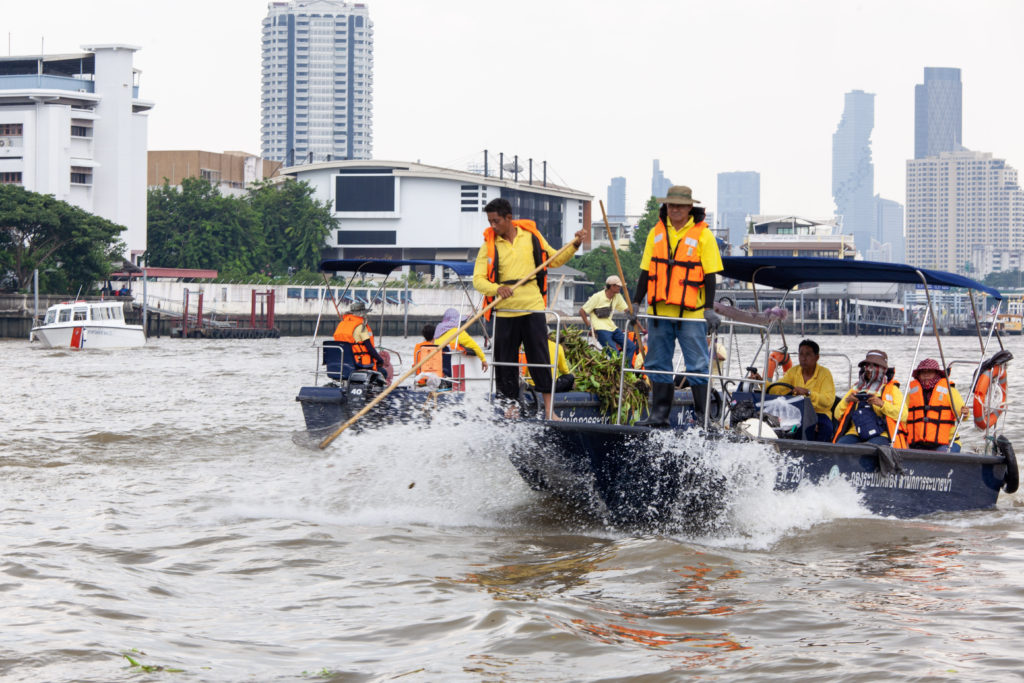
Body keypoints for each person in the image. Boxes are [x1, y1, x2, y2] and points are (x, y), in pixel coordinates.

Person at [473, 197, 585, 419]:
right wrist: (497, 288)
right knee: (505, 362)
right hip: (506, 311)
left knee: (539, 359)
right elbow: (478, 280)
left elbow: (554, 259)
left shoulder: (532, 236)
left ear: (508, 218)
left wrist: (575, 245)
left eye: (496, 221)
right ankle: (512, 407)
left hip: (533, 308)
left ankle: (549, 410)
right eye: (489, 221)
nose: (492, 226)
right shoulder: (489, 244)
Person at [632, 185, 723, 427]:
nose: (675, 209)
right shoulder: (656, 233)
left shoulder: (703, 235)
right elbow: (645, 270)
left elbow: (710, 274)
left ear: (690, 207)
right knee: (657, 363)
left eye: (680, 205)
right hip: (659, 313)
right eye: (672, 205)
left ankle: (705, 419)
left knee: (697, 364)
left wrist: (709, 309)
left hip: (691, 315)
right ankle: (659, 416)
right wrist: (635, 302)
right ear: (666, 206)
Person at [833, 349, 906, 447]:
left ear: (882, 368)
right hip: (855, 432)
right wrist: (847, 401)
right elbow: (837, 414)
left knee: (867, 450)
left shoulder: (892, 389)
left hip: (881, 434)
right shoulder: (856, 388)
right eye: (867, 365)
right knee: (839, 447)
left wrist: (881, 404)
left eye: (874, 366)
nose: (869, 369)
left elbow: (903, 415)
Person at [768, 339, 835, 442]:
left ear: (817, 357)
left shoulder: (825, 374)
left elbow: (828, 401)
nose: (803, 358)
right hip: (797, 413)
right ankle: (790, 450)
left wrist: (808, 393)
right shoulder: (793, 371)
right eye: (801, 354)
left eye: (808, 355)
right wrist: (761, 382)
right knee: (793, 429)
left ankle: (818, 455)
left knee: (826, 429)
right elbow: (777, 389)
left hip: (819, 414)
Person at [905, 358, 969, 452]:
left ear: (936, 374)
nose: (926, 375)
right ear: (919, 375)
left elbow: (963, 416)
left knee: (942, 455)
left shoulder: (950, 391)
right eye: (923, 372)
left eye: (929, 372)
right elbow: (903, 416)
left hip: (947, 442)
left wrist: (965, 413)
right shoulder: (911, 394)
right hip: (918, 444)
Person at [333, 301, 392, 383]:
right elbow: (369, 348)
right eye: (365, 313)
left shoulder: (341, 324)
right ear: (361, 313)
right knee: (383, 372)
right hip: (358, 363)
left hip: (341, 363)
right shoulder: (361, 326)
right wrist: (380, 360)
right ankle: (374, 392)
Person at [579, 275, 636, 359]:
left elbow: (626, 310)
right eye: (618, 286)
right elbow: (582, 311)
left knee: (631, 346)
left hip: (612, 327)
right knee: (614, 353)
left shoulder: (617, 296)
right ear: (611, 286)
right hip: (601, 329)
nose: (619, 288)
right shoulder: (597, 296)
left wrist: (633, 316)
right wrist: (589, 326)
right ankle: (619, 369)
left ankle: (625, 369)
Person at [433, 307, 489, 376]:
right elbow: (474, 346)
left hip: (437, 367)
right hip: (450, 368)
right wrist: (483, 360)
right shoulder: (458, 332)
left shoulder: (438, 331)